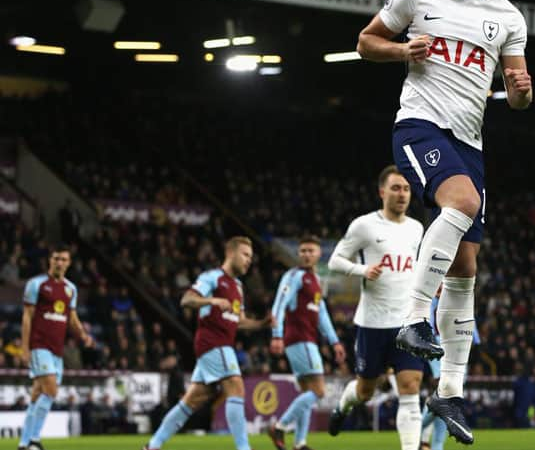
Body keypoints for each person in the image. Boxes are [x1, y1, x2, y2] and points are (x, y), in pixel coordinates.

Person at [356, 0, 532, 444]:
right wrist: (399, 50)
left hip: (469, 141)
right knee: (461, 201)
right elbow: (365, 42)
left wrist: (521, 90)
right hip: (419, 125)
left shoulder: (508, 18)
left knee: (467, 267)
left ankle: (450, 390)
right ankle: (415, 316)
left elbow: (519, 95)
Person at [327, 165, 426, 450]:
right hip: (372, 323)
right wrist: (362, 270)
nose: (402, 194)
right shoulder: (364, 226)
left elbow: (415, 266)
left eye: (406, 189)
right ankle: (343, 407)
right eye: (396, 188)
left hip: (407, 323)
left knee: (410, 388)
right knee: (365, 390)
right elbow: (335, 260)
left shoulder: (416, 229)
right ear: (382, 192)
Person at [143, 236, 273, 450]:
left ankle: (152, 446)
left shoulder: (238, 287)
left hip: (219, 346)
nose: (249, 260)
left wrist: (261, 324)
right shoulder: (212, 277)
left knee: (190, 402)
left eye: (250, 256)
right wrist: (211, 300)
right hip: (214, 343)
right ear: (230, 253)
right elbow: (187, 300)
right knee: (236, 388)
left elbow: (238, 322)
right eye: (245, 255)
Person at [268, 235, 346, 450]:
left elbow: (322, 315)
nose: (306, 254)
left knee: (307, 393)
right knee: (319, 391)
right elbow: (280, 304)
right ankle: (280, 426)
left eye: (311, 251)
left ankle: (300, 443)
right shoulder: (294, 276)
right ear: (298, 254)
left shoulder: (316, 281)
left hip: (306, 340)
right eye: (303, 251)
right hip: (300, 340)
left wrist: (335, 341)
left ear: (319, 254)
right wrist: (276, 334)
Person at [19, 245, 94, 450]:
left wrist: (84, 336)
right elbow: (27, 317)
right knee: (51, 390)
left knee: (37, 394)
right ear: (49, 261)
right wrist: (25, 348)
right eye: (56, 258)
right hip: (39, 345)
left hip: (56, 349)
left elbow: (72, 318)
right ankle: (34, 440)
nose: (59, 262)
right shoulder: (37, 284)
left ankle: (23, 443)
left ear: (68, 263)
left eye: (63, 259)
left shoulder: (71, 289)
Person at [420, 285, 480, 450]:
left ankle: (424, 437)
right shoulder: (433, 303)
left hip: (457, 349)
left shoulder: (459, 301)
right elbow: (428, 328)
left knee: (447, 399)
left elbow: (473, 334)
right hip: (440, 348)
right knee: (444, 394)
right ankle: (416, 431)